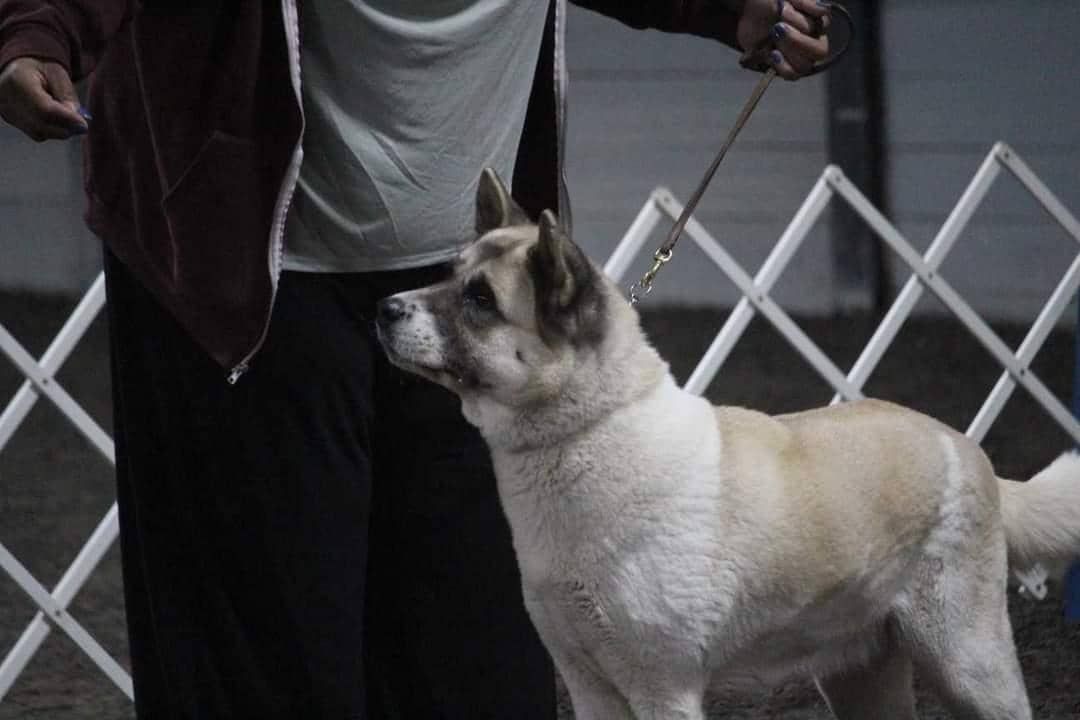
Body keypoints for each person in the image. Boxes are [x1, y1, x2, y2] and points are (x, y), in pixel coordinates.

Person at [0, 1, 831, 717]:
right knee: (268, 656)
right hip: (243, 274)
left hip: (466, 282)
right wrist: (37, 27)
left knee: (477, 660)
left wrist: (735, 7)